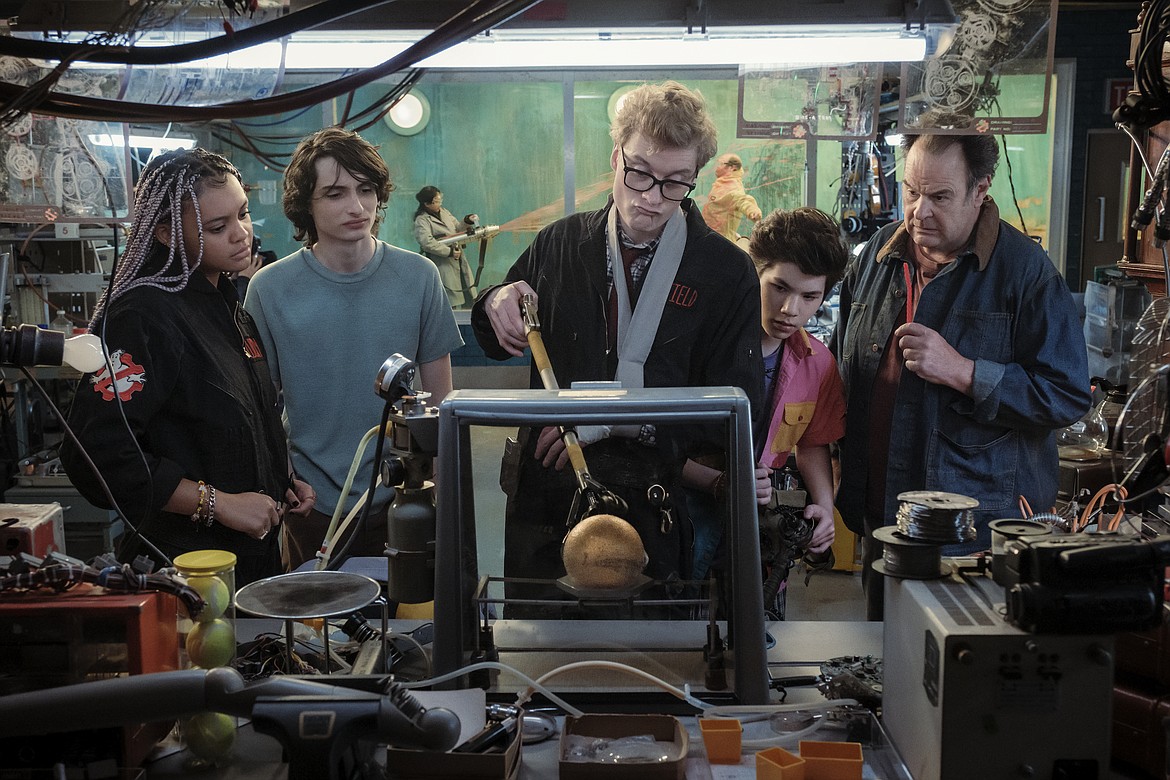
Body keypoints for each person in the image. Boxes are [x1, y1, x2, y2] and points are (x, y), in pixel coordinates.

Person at [471, 80, 765, 614]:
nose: (652, 198)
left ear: (696, 178)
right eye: (640, 173)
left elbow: (735, 406)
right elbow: (495, 341)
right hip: (548, 501)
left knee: (648, 661)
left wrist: (619, 419)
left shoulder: (725, 272)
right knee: (535, 656)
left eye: (676, 184)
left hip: (652, 502)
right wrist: (496, 301)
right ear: (616, 157)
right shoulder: (559, 246)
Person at [831, 130, 1091, 620]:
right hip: (883, 515)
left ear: (981, 189)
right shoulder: (877, 257)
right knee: (882, 667)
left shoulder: (1026, 274)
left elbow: (1067, 394)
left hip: (970, 531)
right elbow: (841, 365)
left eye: (940, 196)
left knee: (954, 671)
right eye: (911, 191)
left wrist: (966, 372)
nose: (918, 212)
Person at [61, 148, 314, 586]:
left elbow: (230, 420)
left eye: (244, 214)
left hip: (251, 561)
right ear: (165, 233)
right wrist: (220, 504)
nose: (242, 235)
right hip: (183, 569)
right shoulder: (143, 317)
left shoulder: (229, 304)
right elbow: (97, 454)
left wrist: (280, 476)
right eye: (218, 227)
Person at [245, 128, 463, 571]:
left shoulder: (419, 276)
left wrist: (442, 484)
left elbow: (442, 403)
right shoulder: (269, 289)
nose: (356, 206)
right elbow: (260, 405)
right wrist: (282, 480)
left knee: (409, 628)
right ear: (306, 203)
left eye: (366, 190)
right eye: (335, 193)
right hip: (311, 504)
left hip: (406, 498)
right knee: (317, 634)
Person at [685, 208, 847, 619]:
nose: (790, 309)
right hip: (687, 517)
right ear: (754, 272)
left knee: (760, 644)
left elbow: (812, 444)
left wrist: (825, 509)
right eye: (779, 288)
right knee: (682, 635)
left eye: (810, 297)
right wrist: (720, 482)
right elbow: (656, 441)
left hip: (760, 529)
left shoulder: (818, 364)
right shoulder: (702, 345)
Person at [413, 185, 479, 308]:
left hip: (458, 260)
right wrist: (449, 252)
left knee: (468, 295)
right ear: (427, 204)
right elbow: (427, 243)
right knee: (449, 302)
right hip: (443, 264)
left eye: (440, 199)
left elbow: (457, 228)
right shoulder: (422, 220)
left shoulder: (444, 212)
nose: (440, 203)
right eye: (437, 201)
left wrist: (467, 220)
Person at [701, 152, 762, 243]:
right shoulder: (722, 184)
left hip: (719, 243)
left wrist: (753, 211)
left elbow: (743, 200)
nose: (716, 167)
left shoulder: (732, 188)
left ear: (732, 168)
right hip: (709, 238)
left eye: (720, 164)